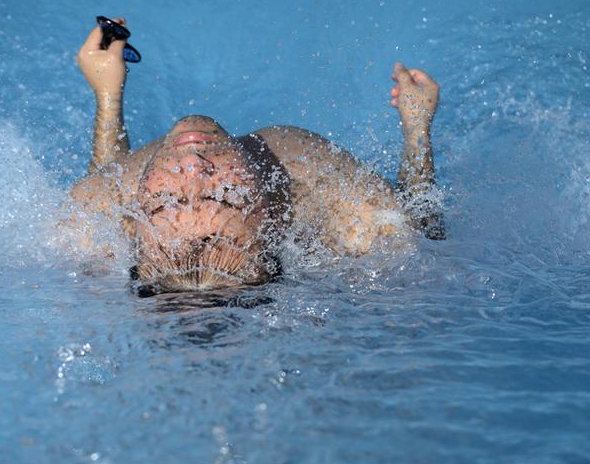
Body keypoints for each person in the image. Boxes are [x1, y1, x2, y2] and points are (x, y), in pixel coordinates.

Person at [61, 17, 444, 294]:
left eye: (165, 202)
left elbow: (109, 175)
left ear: (133, 223)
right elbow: (423, 229)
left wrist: (107, 95)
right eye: (222, 195)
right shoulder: (325, 187)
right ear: (273, 221)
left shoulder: (99, 208)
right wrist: (417, 130)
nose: (192, 166)